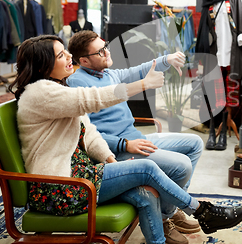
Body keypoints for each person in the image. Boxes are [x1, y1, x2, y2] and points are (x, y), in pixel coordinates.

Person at [9, 35, 242, 244]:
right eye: (61, 55)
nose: (69, 56)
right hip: (60, 187)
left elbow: (89, 133)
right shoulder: (40, 94)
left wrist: (112, 162)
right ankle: (203, 212)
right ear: (43, 66)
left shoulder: (58, 89)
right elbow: (93, 99)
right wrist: (144, 85)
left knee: (145, 194)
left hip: (80, 175)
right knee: (146, 168)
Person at [66, 30, 204, 243]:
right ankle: (167, 218)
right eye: (100, 51)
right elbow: (85, 134)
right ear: (84, 60)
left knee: (194, 143)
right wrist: (124, 144)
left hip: (136, 138)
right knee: (182, 165)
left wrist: (167, 59)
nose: (107, 52)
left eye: (106, 46)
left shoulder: (109, 73)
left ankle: (168, 210)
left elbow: (139, 71)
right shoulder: (76, 85)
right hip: (116, 151)